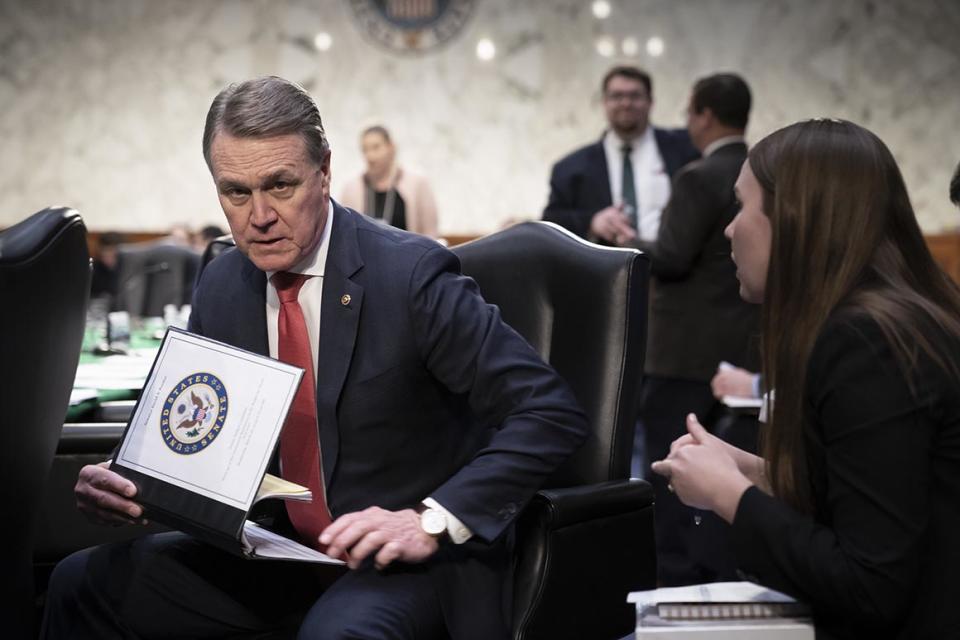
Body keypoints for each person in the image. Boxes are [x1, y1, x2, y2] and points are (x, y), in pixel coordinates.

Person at [43, 76, 587, 640]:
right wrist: (128, 479)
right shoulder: (224, 282)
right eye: (236, 192)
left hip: (408, 559)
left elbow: (549, 412)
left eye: (280, 185)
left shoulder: (411, 275)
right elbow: (195, 429)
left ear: (324, 172)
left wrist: (430, 520)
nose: (259, 216)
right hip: (278, 550)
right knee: (81, 581)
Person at [652, 119, 960, 638]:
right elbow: (888, 495)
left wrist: (729, 494)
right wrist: (756, 472)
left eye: (742, 207)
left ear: (796, 218)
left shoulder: (866, 341)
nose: (730, 229)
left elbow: (870, 584)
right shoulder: (888, 321)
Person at [629, 73, 759, 585]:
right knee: (738, 473)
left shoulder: (699, 176)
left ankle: (678, 588)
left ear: (703, 115)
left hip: (682, 355)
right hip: (744, 353)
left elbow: (674, 257)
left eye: (690, 113)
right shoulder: (761, 174)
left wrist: (628, 241)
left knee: (673, 480)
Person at [542, 65, 698, 245]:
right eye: (616, 96)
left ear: (650, 101)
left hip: (676, 266)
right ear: (604, 102)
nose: (626, 103)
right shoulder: (570, 168)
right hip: (604, 268)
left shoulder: (686, 147)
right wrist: (592, 222)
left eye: (635, 96)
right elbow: (551, 221)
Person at [340, 125, 439, 238]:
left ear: (391, 147)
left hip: (409, 254)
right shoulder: (351, 188)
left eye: (376, 147)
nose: (370, 156)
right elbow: (346, 234)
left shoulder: (418, 183)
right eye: (365, 149)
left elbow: (430, 233)